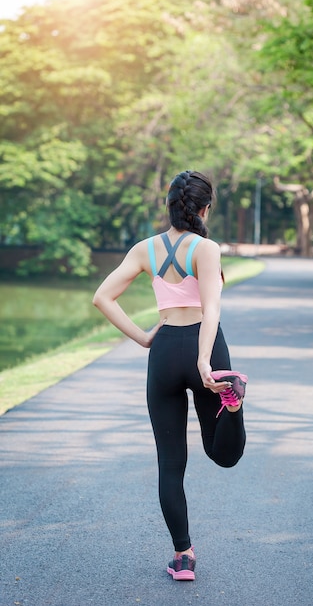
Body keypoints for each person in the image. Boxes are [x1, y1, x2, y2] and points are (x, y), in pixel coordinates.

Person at [93, 170, 247, 581]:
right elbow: (211, 309)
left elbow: (102, 297)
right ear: (205, 207)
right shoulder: (207, 248)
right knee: (223, 454)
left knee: (170, 464)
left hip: (163, 352)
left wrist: (144, 338)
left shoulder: (145, 249)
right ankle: (234, 404)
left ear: (170, 206)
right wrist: (203, 361)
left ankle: (183, 556)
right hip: (205, 347)